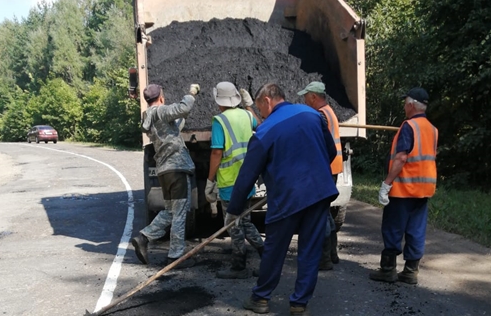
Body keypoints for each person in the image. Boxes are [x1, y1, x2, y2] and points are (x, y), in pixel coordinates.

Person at [227, 83, 339, 316]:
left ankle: (260, 299)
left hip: (287, 198)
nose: (261, 115)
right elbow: (330, 152)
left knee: (275, 250)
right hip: (319, 193)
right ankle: (299, 304)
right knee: (309, 250)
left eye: (260, 109)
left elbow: (247, 175)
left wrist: (234, 209)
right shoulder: (312, 115)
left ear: (267, 101)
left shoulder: (265, 131)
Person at [369, 87, 438, 285]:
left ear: (410, 104)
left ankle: (388, 269)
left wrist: (387, 183)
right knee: (416, 229)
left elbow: (401, 157)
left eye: (404, 102)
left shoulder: (409, 126)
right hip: (423, 190)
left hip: (404, 189)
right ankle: (410, 272)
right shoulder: (432, 129)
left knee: (393, 228)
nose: (403, 106)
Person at [131, 83, 200, 269]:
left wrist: (181, 119)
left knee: (170, 211)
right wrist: (191, 93)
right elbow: (183, 107)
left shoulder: (149, 117)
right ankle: (175, 257)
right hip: (177, 169)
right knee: (179, 213)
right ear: (160, 97)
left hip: (164, 171)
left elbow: (173, 128)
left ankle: (143, 237)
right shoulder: (161, 111)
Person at [205, 81, 264, 279]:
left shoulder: (219, 121)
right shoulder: (247, 115)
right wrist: (249, 105)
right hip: (247, 177)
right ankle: (265, 254)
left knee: (234, 223)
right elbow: (260, 125)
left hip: (230, 182)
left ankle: (240, 265)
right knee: (243, 219)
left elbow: (216, 152)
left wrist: (210, 180)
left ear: (218, 100)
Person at [298, 81, 343, 270]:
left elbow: (318, 144)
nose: (305, 101)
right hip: (332, 168)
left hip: (325, 169)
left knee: (320, 214)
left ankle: (324, 258)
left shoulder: (320, 115)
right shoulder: (329, 111)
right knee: (325, 213)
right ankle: (332, 254)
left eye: (306, 98)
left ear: (314, 97)